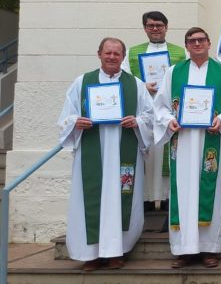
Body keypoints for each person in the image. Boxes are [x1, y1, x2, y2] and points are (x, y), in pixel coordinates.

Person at [58, 37, 154, 271]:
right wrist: (75, 122)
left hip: (125, 151)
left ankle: (116, 252)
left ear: (123, 57)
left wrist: (138, 121)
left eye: (117, 54)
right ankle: (90, 254)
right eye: (108, 53)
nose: (112, 57)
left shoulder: (136, 85)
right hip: (92, 151)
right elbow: (65, 117)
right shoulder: (82, 82)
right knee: (90, 200)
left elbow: (151, 117)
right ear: (99, 53)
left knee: (121, 199)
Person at [153, 27, 221, 268]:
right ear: (186, 45)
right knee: (182, 193)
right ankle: (183, 249)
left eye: (201, 39)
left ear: (209, 42)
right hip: (181, 143)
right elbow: (159, 107)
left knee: (210, 194)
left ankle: (209, 248)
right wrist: (168, 121)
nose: (197, 43)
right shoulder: (173, 73)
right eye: (192, 41)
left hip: (210, 143)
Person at [122, 11, 188, 213]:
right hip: (144, 115)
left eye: (159, 25)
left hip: (169, 114)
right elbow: (124, 79)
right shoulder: (132, 53)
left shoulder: (180, 52)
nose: (155, 29)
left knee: (166, 158)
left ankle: (167, 201)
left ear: (166, 27)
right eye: (150, 25)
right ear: (144, 28)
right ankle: (146, 202)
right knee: (148, 158)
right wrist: (143, 86)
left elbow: (188, 77)